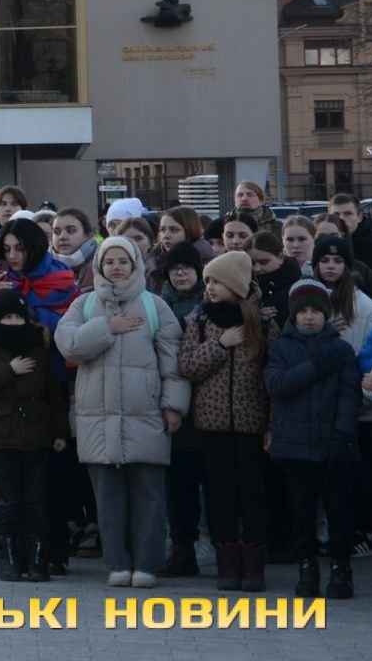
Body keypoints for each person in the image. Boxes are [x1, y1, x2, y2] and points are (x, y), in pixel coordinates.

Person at [55, 237, 187, 589]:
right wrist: (107, 328)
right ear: (99, 266)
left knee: (149, 495)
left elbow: (173, 364)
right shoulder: (84, 304)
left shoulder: (155, 306)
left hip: (146, 415)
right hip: (97, 418)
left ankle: (146, 564)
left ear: (134, 265)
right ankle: (117, 563)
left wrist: (173, 405)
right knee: (108, 497)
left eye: (123, 261)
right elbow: (68, 344)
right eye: (109, 261)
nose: (116, 267)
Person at [179, 249, 271, 592]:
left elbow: (271, 377)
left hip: (251, 424)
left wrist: (271, 424)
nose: (211, 287)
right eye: (208, 281)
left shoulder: (262, 324)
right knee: (220, 495)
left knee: (252, 494)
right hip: (212, 425)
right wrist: (220, 344)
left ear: (237, 285)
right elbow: (188, 367)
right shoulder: (201, 322)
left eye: (218, 281)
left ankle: (254, 565)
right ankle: (228, 564)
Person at [266, 278, 359, 600]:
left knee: (339, 513)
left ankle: (340, 567)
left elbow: (349, 396)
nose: (309, 317)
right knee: (301, 512)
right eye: (302, 311)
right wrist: (316, 367)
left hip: (332, 443)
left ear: (325, 314)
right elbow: (276, 384)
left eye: (315, 311)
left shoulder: (341, 349)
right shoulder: (282, 347)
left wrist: (342, 435)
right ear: (294, 314)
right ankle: (307, 567)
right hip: (294, 446)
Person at [0, 288, 68, 582]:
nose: (13, 322)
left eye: (17, 317)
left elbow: (53, 395)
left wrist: (60, 432)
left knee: (36, 500)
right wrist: (8, 370)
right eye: (7, 317)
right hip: (2, 434)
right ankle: (9, 558)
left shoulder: (38, 349)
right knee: (8, 500)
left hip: (37, 433)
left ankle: (37, 558)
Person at [154, 241, 208, 577]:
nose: (181, 274)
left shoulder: (210, 303)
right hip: (173, 408)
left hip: (210, 406)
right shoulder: (157, 306)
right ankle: (182, 550)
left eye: (187, 268)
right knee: (179, 486)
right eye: (174, 269)